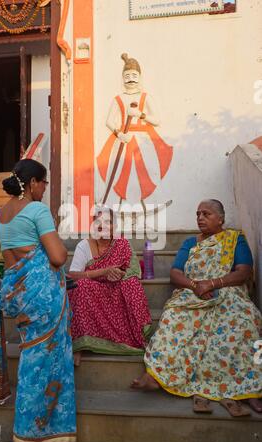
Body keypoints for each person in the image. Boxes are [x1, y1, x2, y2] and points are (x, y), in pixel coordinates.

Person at [0, 159, 76, 442]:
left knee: (32, 357)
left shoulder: (1, 214)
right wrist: (57, 248)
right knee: (49, 361)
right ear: (31, 184)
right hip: (43, 297)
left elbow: (9, 258)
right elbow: (57, 257)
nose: (45, 188)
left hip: (19, 295)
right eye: (43, 182)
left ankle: (26, 431)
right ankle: (41, 432)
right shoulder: (37, 210)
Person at [132, 199, 262, 417]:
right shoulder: (190, 243)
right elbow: (175, 273)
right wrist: (195, 286)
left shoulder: (234, 239)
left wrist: (212, 284)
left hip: (227, 289)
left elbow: (244, 271)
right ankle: (158, 375)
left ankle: (251, 387)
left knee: (246, 320)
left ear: (221, 219)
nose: (200, 218)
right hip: (192, 292)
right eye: (198, 214)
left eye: (206, 214)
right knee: (172, 317)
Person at [68, 207, 153, 366]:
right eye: (98, 222)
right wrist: (104, 272)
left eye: (108, 222)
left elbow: (134, 270)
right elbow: (73, 275)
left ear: (115, 226)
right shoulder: (84, 246)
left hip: (116, 292)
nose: (103, 226)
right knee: (80, 286)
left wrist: (119, 275)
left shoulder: (122, 244)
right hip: (94, 294)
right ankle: (79, 345)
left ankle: (135, 336)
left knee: (132, 283)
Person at [97, 52, 173, 208]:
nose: (130, 79)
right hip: (124, 138)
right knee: (120, 172)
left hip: (144, 141)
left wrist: (140, 114)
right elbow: (109, 121)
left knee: (147, 172)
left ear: (139, 76)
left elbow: (156, 120)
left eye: (134, 75)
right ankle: (114, 203)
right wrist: (120, 134)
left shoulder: (146, 97)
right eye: (127, 75)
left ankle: (151, 203)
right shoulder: (118, 99)